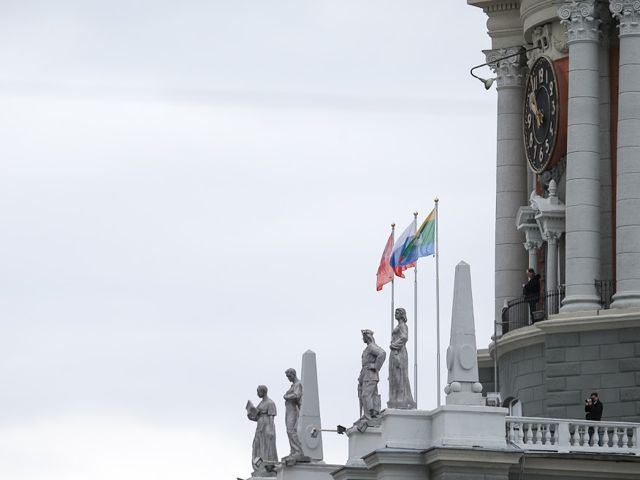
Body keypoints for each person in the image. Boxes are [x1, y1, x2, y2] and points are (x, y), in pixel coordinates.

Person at [388, 308, 416, 409]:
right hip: (394, 351)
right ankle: (395, 398)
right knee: (394, 375)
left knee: (400, 374)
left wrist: (394, 345)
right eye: (395, 312)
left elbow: (404, 337)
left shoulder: (403, 326)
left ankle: (402, 398)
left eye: (397, 312)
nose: (395, 314)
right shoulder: (398, 326)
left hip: (399, 352)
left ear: (402, 314)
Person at [247, 385, 278, 476]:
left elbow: (271, 417)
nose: (257, 394)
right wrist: (250, 416)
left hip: (267, 426)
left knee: (267, 446)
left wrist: (271, 431)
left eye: (258, 392)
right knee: (257, 445)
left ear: (263, 392)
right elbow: (257, 417)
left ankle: (268, 466)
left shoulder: (270, 403)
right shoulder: (261, 403)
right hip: (260, 427)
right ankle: (259, 466)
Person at [358, 329, 386, 425]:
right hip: (366, 375)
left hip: (370, 375)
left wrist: (375, 366)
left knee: (366, 395)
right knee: (372, 395)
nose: (362, 338)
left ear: (367, 337)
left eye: (363, 337)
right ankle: (372, 414)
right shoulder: (367, 348)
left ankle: (368, 417)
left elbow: (382, 353)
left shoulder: (371, 347)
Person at [283, 368, 306, 460]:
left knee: (291, 430)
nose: (288, 379)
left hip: (293, 409)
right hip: (288, 410)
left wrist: (286, 396)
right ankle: (293, 451)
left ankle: (298, 451)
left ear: (293, 374)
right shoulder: (293, 385)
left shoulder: (298, 384)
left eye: (289, 376)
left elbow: (297, 395)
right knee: (288, 430)